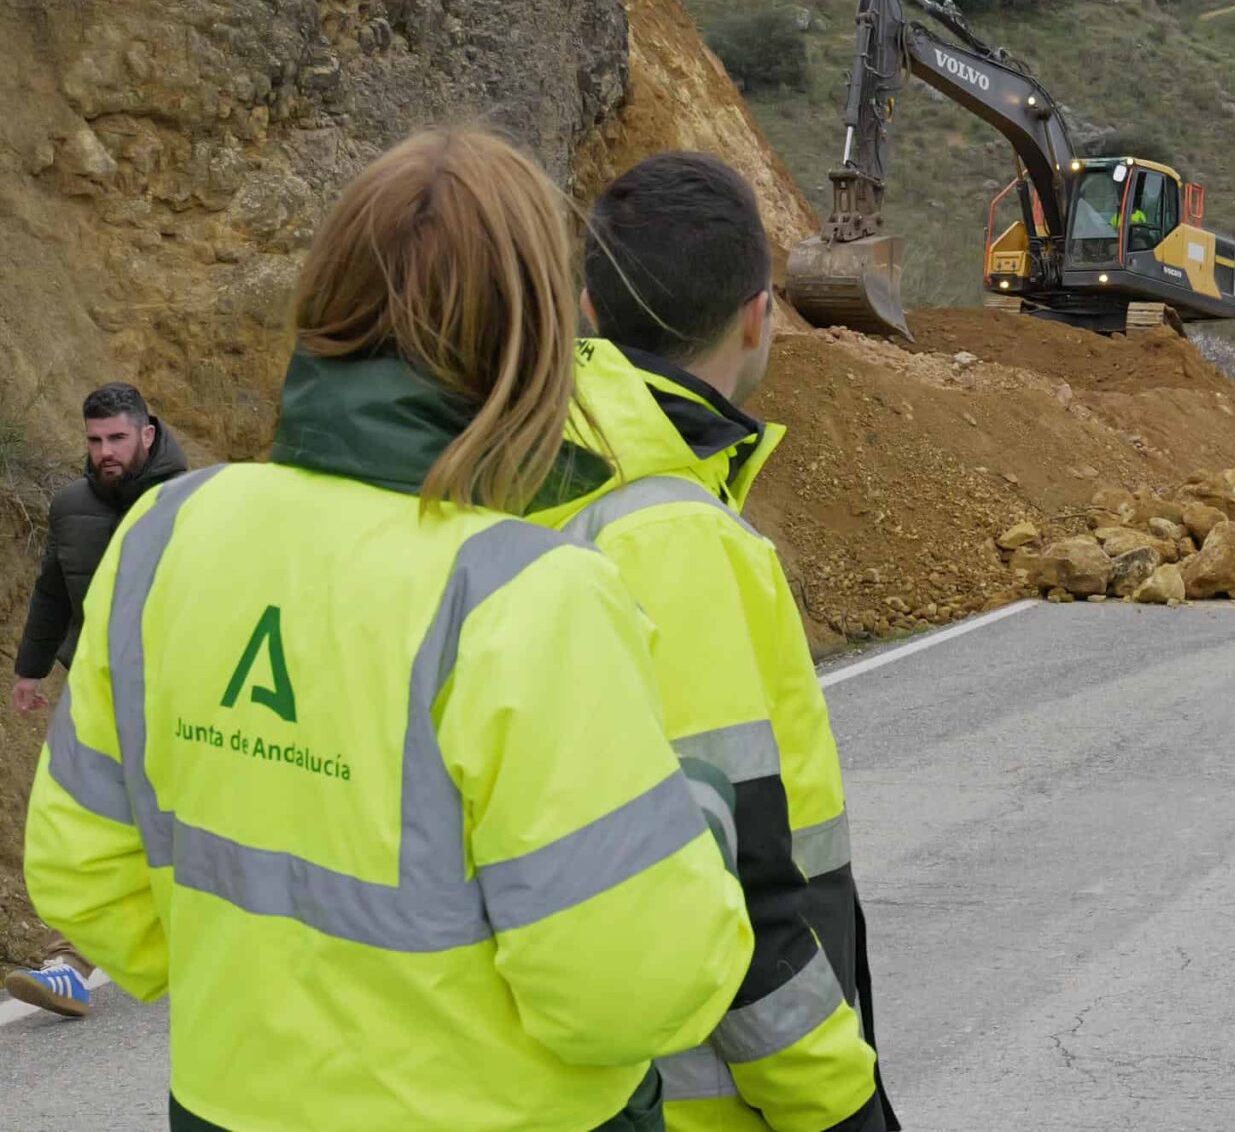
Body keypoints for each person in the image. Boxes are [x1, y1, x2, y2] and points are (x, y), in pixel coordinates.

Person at [22, 129, 754, 1131]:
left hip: (228, 1101)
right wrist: (697, 820)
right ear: (535, 335)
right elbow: (629, 991)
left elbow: (81, 873)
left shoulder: (165, 534)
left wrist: (263, 1000)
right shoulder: (530, 598)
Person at [537, 151, 894, 1132]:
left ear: (591, 311)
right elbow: (736, 897)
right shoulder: (676, 537)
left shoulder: (530, 488)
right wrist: (844, 1105)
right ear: (756, 314)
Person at [6, 381, 188, 1017]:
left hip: (183, 690)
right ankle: (68, 963)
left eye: (116, 437)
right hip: (99, 686)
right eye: (94, 440)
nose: (105, 451)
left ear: (147, 432)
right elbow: (54, 590)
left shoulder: (189, 503)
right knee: (90, 818)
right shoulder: (70, 505)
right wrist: (30, 671)